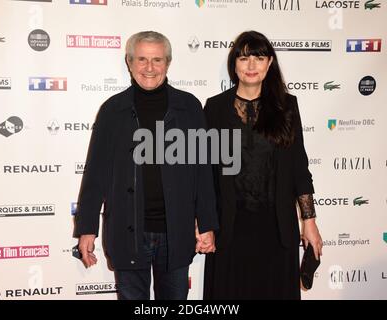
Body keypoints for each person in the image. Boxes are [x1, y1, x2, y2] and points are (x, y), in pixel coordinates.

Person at [73, 31, 218, 300]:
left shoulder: (189, 108)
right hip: (127, 232)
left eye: (157, 60)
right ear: (129, 62)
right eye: (141, 59)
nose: (149, 68)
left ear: (168, 63)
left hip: (176, 232)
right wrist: (86, 228)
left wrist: (207, 222)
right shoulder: (111, 111)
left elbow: (202, 172)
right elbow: (95, 174)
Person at [203, 30, 323, 300]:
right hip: (230, 228)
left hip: (277, 229)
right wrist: (204, 221)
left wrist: (310, 222)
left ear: (270, 63)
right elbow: (205, 173)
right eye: (244, 58)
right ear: (234, 64)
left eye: (259, 57)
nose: (251, 65)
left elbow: (298, 168)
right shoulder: (214, 108)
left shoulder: (286, 107)